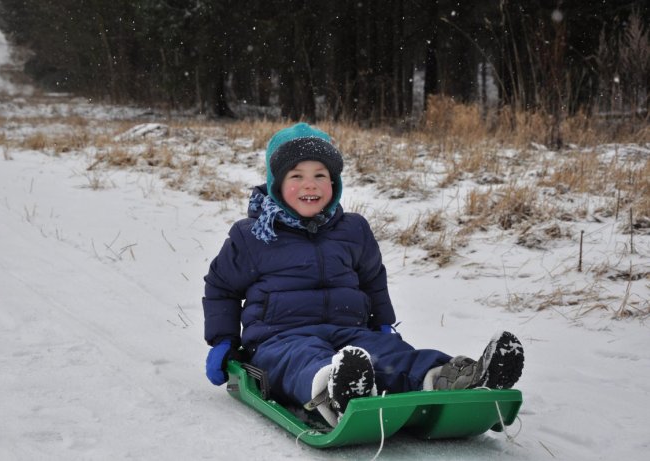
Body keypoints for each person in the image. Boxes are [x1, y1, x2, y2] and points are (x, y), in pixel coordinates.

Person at [203, 123, 524, 427]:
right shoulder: (254, 236)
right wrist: (224, 341)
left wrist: (382, 323)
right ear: (276, 185)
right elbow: (222, 287)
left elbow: (372, 279)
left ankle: (453, 378)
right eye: (296, 176)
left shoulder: (353, 229)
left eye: (320, 175)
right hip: (280, 337)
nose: (309, 184)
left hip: (349, 332)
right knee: (300, 360)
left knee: (391, 356)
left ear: (334, 183)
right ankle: (336, 389)